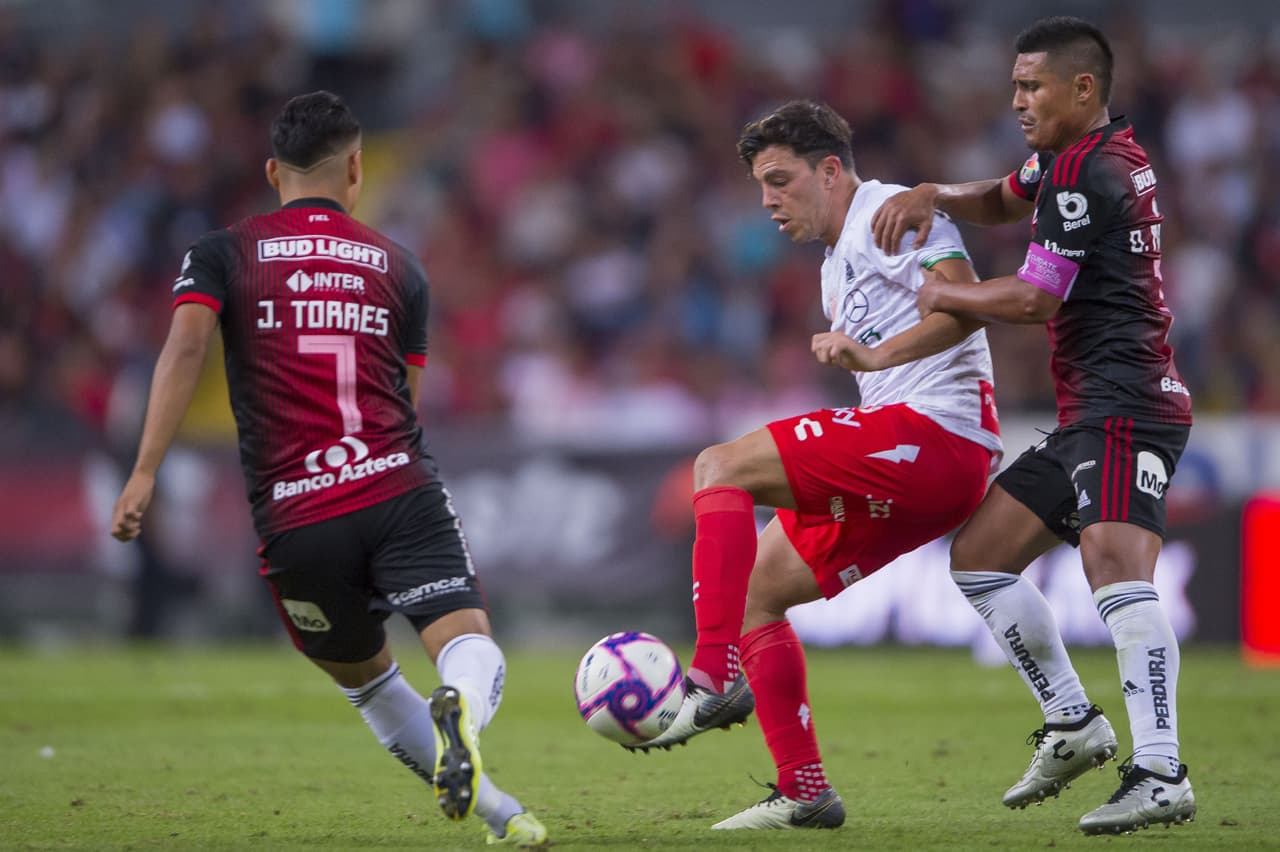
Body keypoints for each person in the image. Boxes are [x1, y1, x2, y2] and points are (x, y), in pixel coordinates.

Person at [110, 91, 548, 849]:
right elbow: (403, 405)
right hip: (393, 486)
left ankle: (504, 817)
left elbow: (185, 349)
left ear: (273, 170)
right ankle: (464, 716)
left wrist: (145, 470)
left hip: (295, 519)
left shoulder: (223, 250)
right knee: (466, 638)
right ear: (355, 169)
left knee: (372, 686)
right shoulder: (398, 265)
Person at [628, 99, 1003, 831]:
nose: (768, 201)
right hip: (922, 463)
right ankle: (804, 792)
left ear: (830, 170)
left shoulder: (890, 210)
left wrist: (876, 355)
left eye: (780, 180)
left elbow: (965, 305)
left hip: (935, 437)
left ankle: (710, 674)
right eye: (760, 186)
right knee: (754, 597)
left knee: (718, 467)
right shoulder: (836, 264)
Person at [870, 16, 1196, 835]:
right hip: (1093, 408)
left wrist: (945, 294)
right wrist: (933, 193)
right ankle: (1074, 723)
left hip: (1125, 404)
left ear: (1082, 88)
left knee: (1116, 570)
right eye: (1014, 84)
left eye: (1031, 86)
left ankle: (1161, 770)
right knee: (980, 559)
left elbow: (1032, 298)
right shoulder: (1081, 154)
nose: (1016, 100)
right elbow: (1001, 196)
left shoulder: (1089, 172)